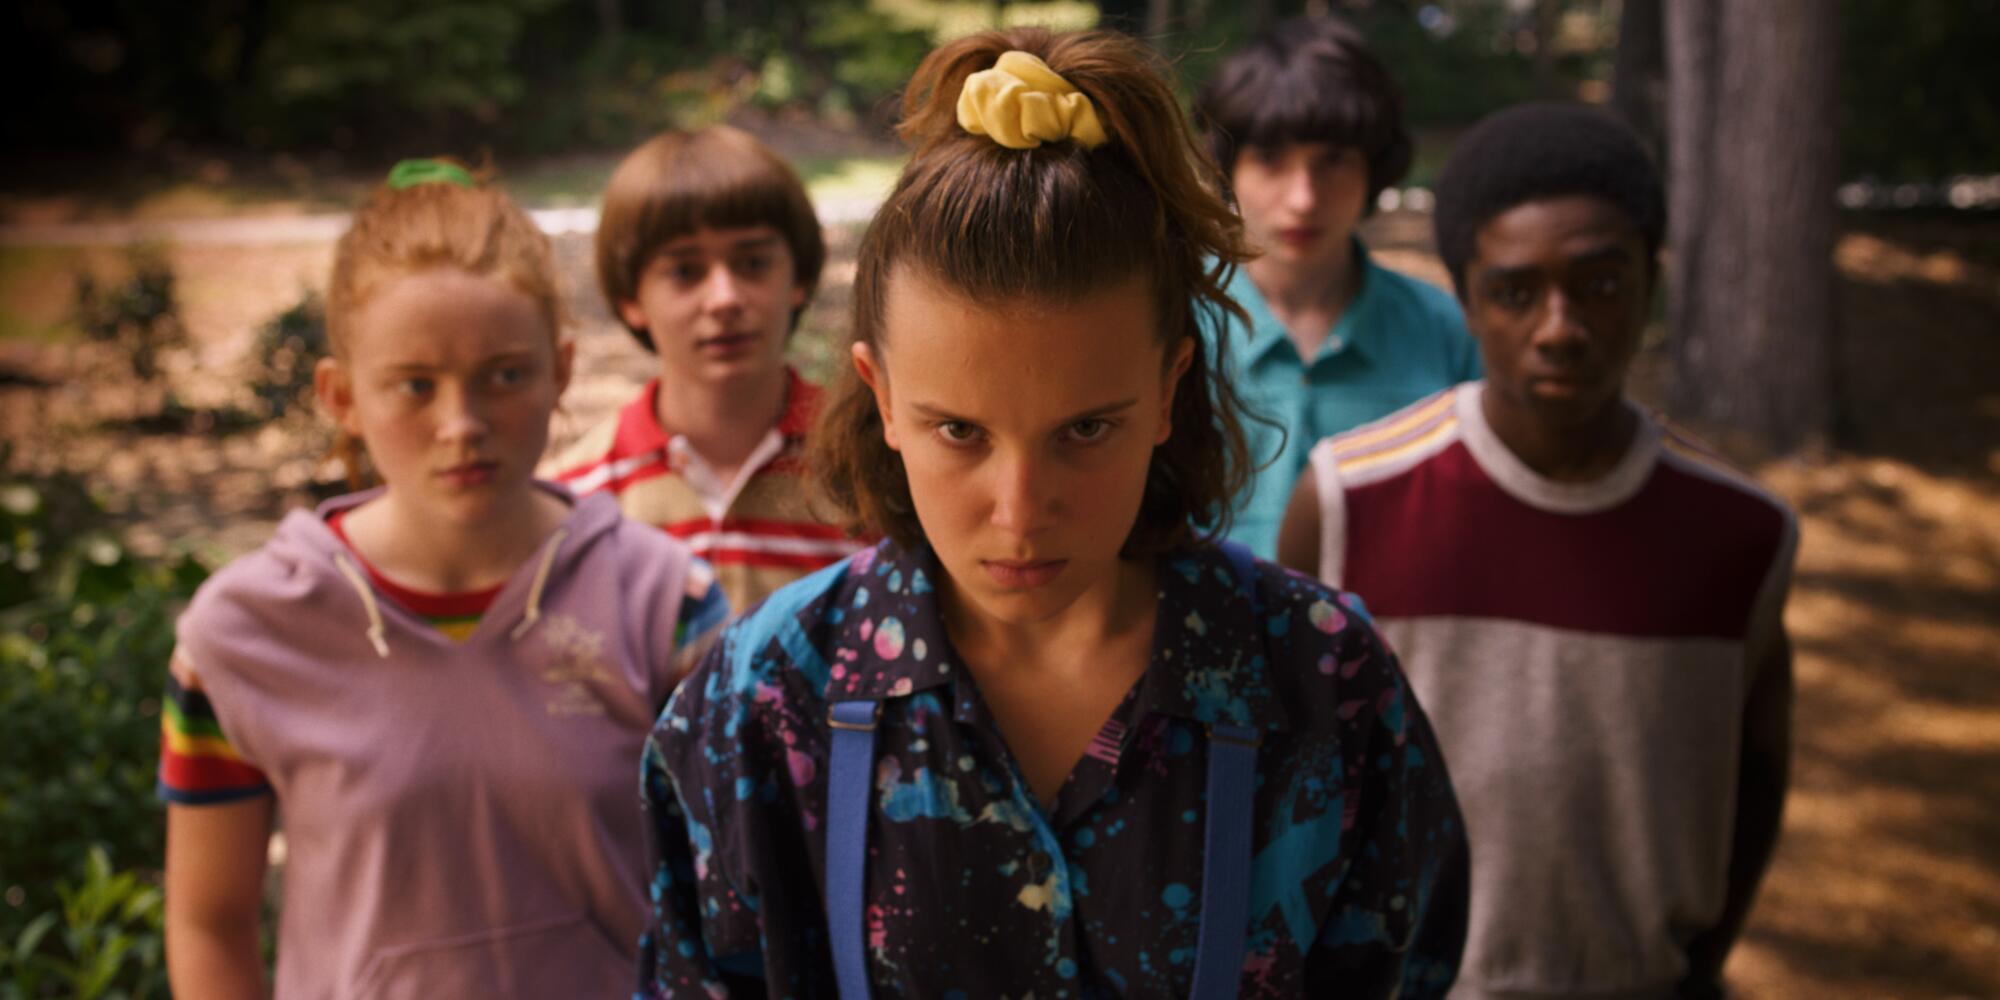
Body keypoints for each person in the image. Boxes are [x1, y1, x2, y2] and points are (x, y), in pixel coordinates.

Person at [639, 29, 1468, 998]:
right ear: (882, 396)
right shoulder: (762, 710)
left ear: (1168, 389)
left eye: (1085, 430)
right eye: (959, 431)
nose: (1020, 511)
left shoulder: (1324, 691)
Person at [159, 159, 728, 999]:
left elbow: (734, 900)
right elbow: (208, 924)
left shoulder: (666, 605)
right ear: (342, 395)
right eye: (414, 386)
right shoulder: (240, 635)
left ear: (560, 370)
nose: (461, 425)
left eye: (504, 375)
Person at [1277, 103, 1796, 1000]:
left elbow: (1755, 769)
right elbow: (1290, 770)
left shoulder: (1742, 533)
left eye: (1598, 284)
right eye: (1517, 292)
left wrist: (1699, 966)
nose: (1560, 326)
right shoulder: (1350, 499)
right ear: (1469, 300)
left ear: (1649, 283)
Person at [1195, 14, 1481, 558]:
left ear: (1374, 170)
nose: (1303, 197)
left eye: (1333, 161)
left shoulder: (1449, 332)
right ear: (1227, 167)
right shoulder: (1171, 323)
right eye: (1272, 158)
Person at [548, 125, 862, 612]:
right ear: (632, 297)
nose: (725, 299)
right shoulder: (580, 500)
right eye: (684, 272)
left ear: (797, 276)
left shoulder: (869, 468)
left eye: (753, 262)